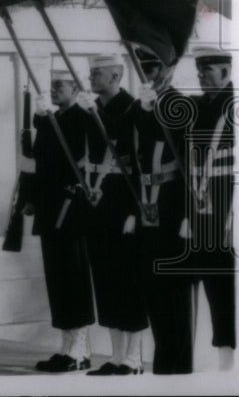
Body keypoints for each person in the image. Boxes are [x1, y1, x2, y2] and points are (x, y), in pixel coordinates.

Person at [81, 55, 148, 375]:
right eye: (91, 72)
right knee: (105, 279)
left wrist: (136, 211)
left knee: (128, 282)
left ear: (117, 75)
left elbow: (141, 162)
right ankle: (115, 356)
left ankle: (133, 359)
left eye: (98, 73)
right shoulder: (91, 109)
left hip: (125, 200)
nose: (91, 77)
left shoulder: (133, 109)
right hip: (98, 201)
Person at [130, 47, 194, 374]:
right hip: (146, 204)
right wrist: (142, 107)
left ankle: (179, 365)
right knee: (152, 286)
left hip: (171, 204)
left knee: (174, 292)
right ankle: (163, 363)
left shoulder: (179, 103)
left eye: (152, 70)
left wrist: (188, 215)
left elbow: (188, 163)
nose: (147, 76)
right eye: (143, 70)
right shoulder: (142, 104)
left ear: (166, 71)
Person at [31, 68, 98, 373]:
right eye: (52, 86)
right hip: (49, 207)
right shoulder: (50, 119)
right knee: (57, 280)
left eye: (60, 86)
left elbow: (87, 149)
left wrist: (85, 112)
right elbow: (40, 160)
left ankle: (80, 350)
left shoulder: (84, 119)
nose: (54, 90)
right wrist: (43, 120)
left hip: (72, 209)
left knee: (74, 279)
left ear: (75, 89)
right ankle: (66, 347)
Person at [186, 44, 236, 368]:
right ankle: (210, 361)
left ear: (226, 72)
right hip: (198, 212)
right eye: (199, 72)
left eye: (208, 71)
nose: (202, 77)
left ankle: (229, 363)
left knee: (226, 289)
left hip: (229, 212)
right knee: (205, 283)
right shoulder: (196, 105)